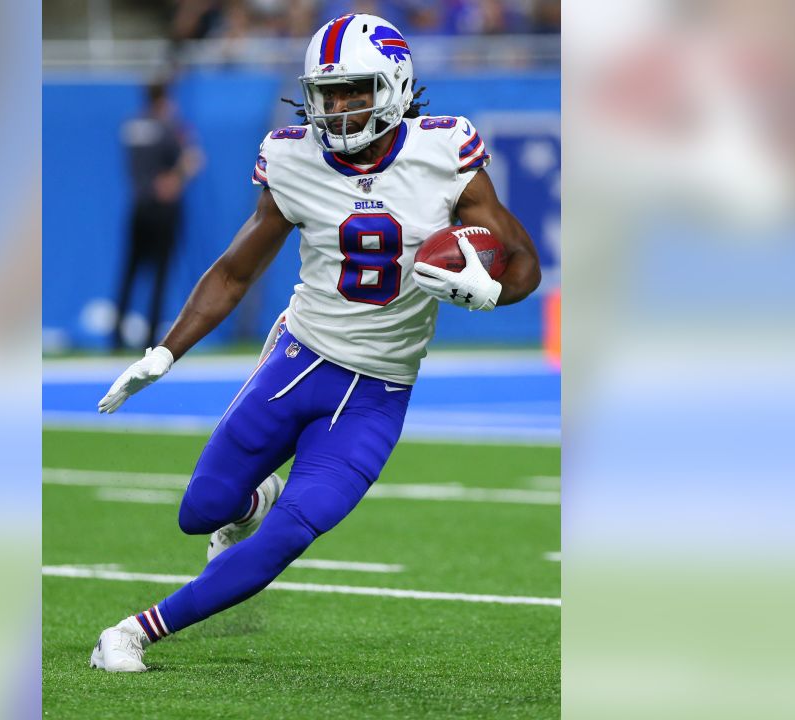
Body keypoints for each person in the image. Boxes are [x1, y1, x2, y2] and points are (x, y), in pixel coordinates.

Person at [90, 13, 540, 672]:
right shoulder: (294, 156)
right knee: (201, 512)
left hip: (376, 394)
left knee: (291, 532)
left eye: (354, 91)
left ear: (393, 85)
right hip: (298, 360)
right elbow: (235, 270)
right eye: (327, 93)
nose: (337, 108)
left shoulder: (444, 152)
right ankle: (250, 499)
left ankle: (132, 633)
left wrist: (494, 289)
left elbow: (522, 259)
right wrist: (163, 353)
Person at [113, 81, 203, 350]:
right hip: (163, 209)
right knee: (160, 273)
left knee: (130, 270)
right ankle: (151, 337)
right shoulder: (170, 127)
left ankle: (116, 335)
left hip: (139, 205)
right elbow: (193, 159)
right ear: (165, 98)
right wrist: (175, 178)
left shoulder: (131, 126)